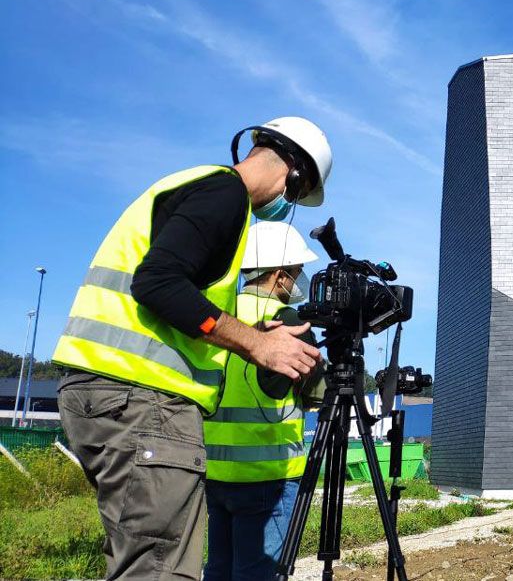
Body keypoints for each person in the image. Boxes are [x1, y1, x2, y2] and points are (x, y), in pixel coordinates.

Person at [53, 117, 333, 580]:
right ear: (295, 173)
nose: (290, 204)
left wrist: (249, 335)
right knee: (160, 568)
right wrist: (256, 344)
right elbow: (158, 284)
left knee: (138, 560)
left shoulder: (185, 184)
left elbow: (169, 297)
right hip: (142, 401)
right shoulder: (226, 193)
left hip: (101, 391)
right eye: (298, 195)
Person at [203, 221, 324, 581]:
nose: (298, 281)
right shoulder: (287, 320)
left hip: (216, 472)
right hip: (268, 475)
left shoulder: (217, 314)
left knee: (220, 569)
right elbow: (317, 392)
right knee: (258, 574)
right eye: (297, 272)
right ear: (279, 275)